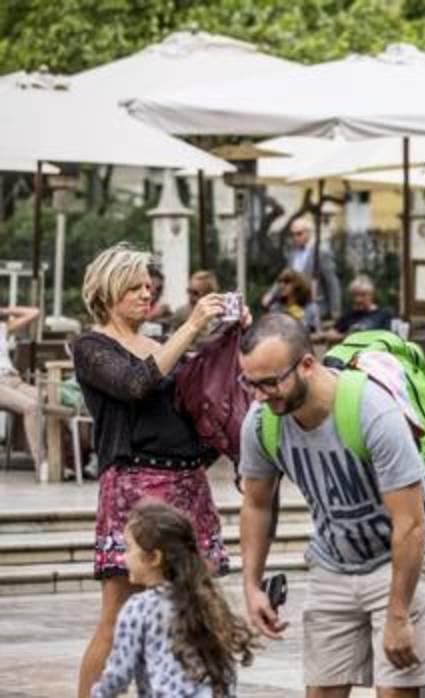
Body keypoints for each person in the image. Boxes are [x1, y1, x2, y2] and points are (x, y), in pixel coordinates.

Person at [237, 313, 425, 697]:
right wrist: (251, 585)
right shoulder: (260, 422)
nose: (259, 395)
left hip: (399, 560)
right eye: (249, 382)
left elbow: (411, 524)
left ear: (307, 365)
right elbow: (257, 504)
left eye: (269, 382)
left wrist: (398, 615)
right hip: (334, 560)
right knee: (321, 689)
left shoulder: (371, 410)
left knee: (395, 689)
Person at [72, 244, 232, 698]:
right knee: (117, 611)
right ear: (108, 291)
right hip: (135, 485)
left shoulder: (161, 344)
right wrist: (193, 326)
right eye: (136, 287)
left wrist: (223, 345)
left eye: (149, 285)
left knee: (194, 606)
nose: (147, 293)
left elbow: (192, 403)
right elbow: (135, 384)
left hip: (187, 484)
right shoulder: (91, 345)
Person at [90, 502, 259, 698]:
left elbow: (117, 677)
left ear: (154, 558)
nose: (122, 558)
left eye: (128, 549)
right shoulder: (205, 599)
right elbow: (226, 673)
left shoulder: (139, 608)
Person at [263, 216, 342, 320]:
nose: (295, 237)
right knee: (275, 312)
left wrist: (335, 309)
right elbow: (284, 279)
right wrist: (270, 294)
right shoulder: (292, 254)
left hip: (315, 303)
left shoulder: (321, 253)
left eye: (299, 233)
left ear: (308, 233)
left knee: (302, 317)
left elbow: (332, 282)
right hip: (294, 303)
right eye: (293, 234)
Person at [0, 305, 44, 470]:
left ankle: (64, 461)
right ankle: (43, 464)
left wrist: (4, 311)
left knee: (49, 398)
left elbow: (35, 313)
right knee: (31, 407)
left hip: (14, 380)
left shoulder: (2, 328)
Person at [325, 274, 395, 342]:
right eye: (355, 295)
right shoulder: (349, 315)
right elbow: (330, 335)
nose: (358, 300)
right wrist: (347, 336)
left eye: (363, 295)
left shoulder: (384, 314)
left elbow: (390, 336)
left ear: (371, 295)